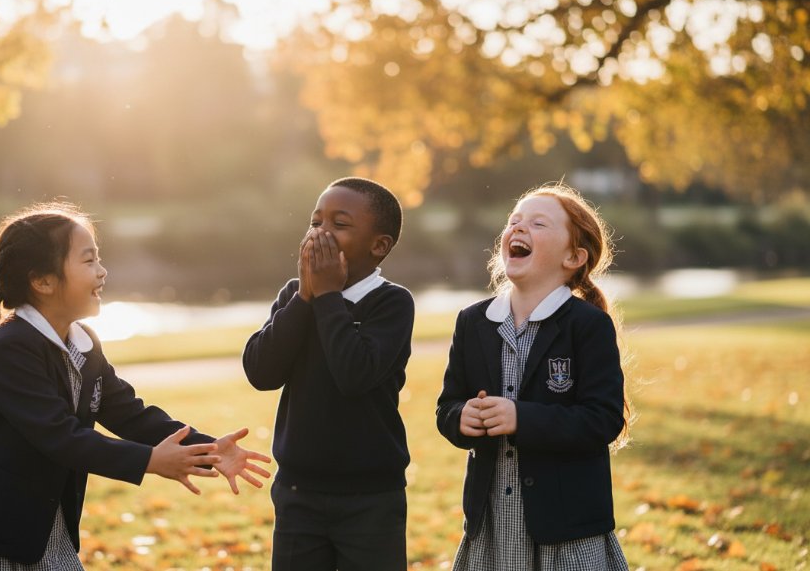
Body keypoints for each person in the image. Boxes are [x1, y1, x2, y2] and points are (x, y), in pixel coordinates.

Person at [0, 203, 271, 570]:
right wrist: (150, 462)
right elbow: (62, 437)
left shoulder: (83, 343)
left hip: (45, 535)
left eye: (98, 259)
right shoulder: (11, 348)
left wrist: (209, 448)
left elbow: (131, 414)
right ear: (42, 281)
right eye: (88, 261)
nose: (102, 272)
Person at [436, 182, 632, 570]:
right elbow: (447, 406)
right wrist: (462, 418)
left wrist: (520, 418)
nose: (519, 228)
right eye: (514, 221)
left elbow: (603, 419)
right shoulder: (473, 322)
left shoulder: (588, 325)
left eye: (538, 224)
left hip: (567, 530)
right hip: (490, 525)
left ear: (574, 256)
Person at [243, 177, 414, 571]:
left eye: (339, 224)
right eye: (315, 220)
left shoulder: (391, 303)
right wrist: (306, 297)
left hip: (371, 496)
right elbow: (260, 371)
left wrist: (328, 296)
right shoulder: (295, 295)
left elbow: (353, 373)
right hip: (298, 491)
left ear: (378, 246)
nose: (320, 232)